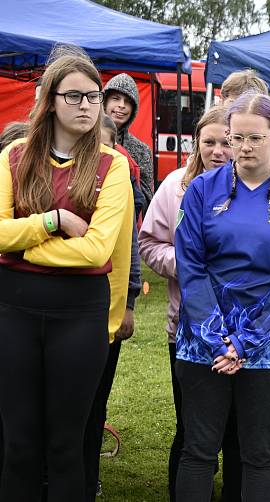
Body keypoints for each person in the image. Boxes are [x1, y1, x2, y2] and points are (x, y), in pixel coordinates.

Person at [0, 47, 133, 500]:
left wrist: (22, 247)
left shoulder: (112, 164)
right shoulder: (15, 155)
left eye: (93, 96)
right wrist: (51, 222)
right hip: (13, 310)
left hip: (80, 315)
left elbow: (99, 249)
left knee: (66, 448)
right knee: (18, 445)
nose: (86, 106)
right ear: (50, 100)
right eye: (74, 96)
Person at [173, 92, 270, 501]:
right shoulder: (202, 189)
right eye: (236, 138)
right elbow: (190, 263)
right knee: (198, 451)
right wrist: (216, 335)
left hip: (267, 343)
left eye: (254, 138)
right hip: (205, 343)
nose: (242, 148)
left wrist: (247, 339)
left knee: (258, 455)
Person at [138, 105, 244, 502]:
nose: (218, 150)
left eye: (226, 141)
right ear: (197, 144)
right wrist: (187, 267)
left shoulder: (257, 189)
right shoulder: (174, 187)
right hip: (187, 330)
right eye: (210, 142)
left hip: (244, 333)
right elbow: (149, 243)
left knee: (237, 431)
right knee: (191, 428)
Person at [83, 114, 143, 501]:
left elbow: (132, 249)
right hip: (66, 309)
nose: (101, 154)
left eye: (108, 146)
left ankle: (89, 475)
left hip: (106, 312)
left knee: (95, 402)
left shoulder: (121, 184)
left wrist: (130, 304)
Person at [217, 69, 270, 176]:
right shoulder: (209, 146)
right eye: (233, 104)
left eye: (255, 138)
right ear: (221, 100)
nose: (242, 112)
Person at [103, 73, 154, 209]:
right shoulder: (85, 139)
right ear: (104, 102)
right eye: (116, 98)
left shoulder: (142, 150)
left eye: (128, 102)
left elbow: (147, 199)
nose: (121, 105)